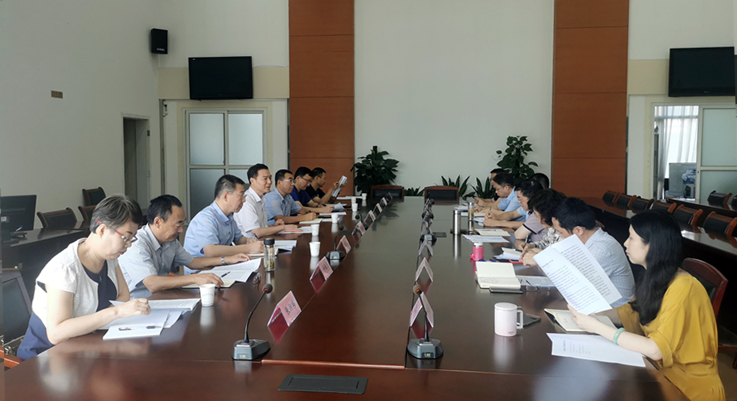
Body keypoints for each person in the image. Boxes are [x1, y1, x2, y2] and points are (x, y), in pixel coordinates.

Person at [569, 210, 724, 401]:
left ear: (653, 245)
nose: (625, 243)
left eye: (632, 238)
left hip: (686, 388)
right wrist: (591, 314)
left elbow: (655, 349)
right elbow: (628, 313)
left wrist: (597, 327)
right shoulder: (653, 278)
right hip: (659, 375)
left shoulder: (684, 287)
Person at [17, 195, 151, 359]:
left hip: (85, 347)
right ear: (102, 230)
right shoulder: (65, 269)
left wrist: (107, 317)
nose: (129, 245)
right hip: (46, 357)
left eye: (132, 238)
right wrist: (115, 312)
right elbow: (56, 333)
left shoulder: (110, 257)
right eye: (125, 237)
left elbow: (123, 295)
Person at [119, 195, 252, 299]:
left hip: (162, 298)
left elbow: (192, 262)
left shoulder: (170, 241)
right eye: (178, 225)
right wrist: (194, 278)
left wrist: (226, 260)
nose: (181, 230)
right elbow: (152, 284)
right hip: (138, 306)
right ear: (158, 222)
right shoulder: (137, 244)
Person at [552, 197, 635, 307]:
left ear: (578, 230)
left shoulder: (601, 249)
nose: (560, 236)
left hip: (616, 313)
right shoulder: (590, 242)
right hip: (599, 307)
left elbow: (575, 287)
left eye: (561, 232)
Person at [183, 174, 264, 274]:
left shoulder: (229, 216)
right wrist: (248, 248)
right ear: (226, 196)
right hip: (201, 272)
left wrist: (249, 241)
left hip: (221, 267)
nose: (244, 200)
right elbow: (211, 251)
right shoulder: (206, 218)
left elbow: (239, 239)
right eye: (241, 195)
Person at [233, 164, 302, 238]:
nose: (269, 182)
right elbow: (256, 232)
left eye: (270, 178)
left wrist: (274, 227)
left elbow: (261, 227)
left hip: (262, 241)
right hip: (249, 243)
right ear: (252, 181)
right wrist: (283, 227)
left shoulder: (262, 198)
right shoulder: (247, 201)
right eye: (265, 179)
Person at [519, 189, 566, 264]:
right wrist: (531, 246)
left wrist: (541, 255)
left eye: (537, 215)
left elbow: (561, 260)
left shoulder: (566, 232)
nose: (537, 219)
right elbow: (545, 243)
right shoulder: (551, 228)